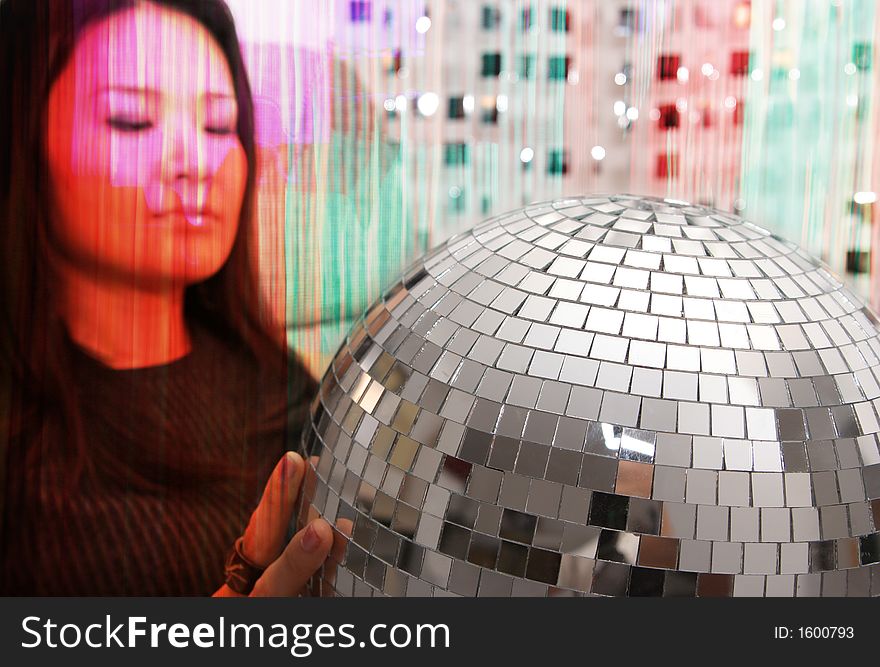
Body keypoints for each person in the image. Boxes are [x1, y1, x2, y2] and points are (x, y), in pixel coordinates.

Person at [0, 0, 343, 595]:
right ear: (24, 139)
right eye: (131, 120)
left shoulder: (279, 390)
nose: (195, 163)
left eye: (217, 126)